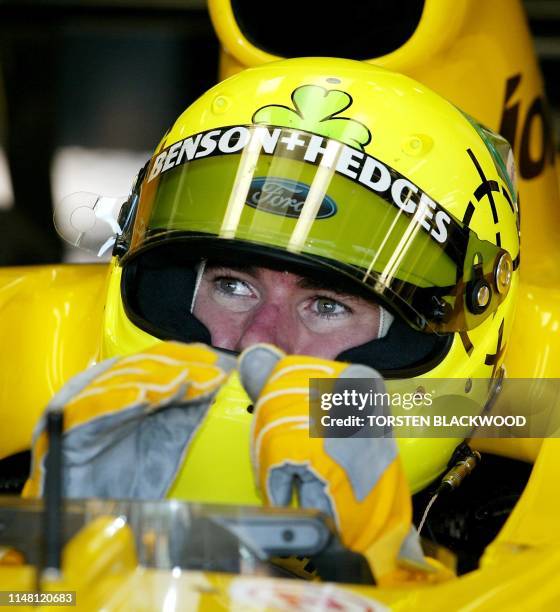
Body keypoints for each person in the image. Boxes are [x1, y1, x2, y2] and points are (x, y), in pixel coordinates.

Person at [24, 57, 520, 583]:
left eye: (328, 305)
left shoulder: (517, 456)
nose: (261, 342)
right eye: (232, 286)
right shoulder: (50, 412)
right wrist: (43, 560)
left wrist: (383, 575)